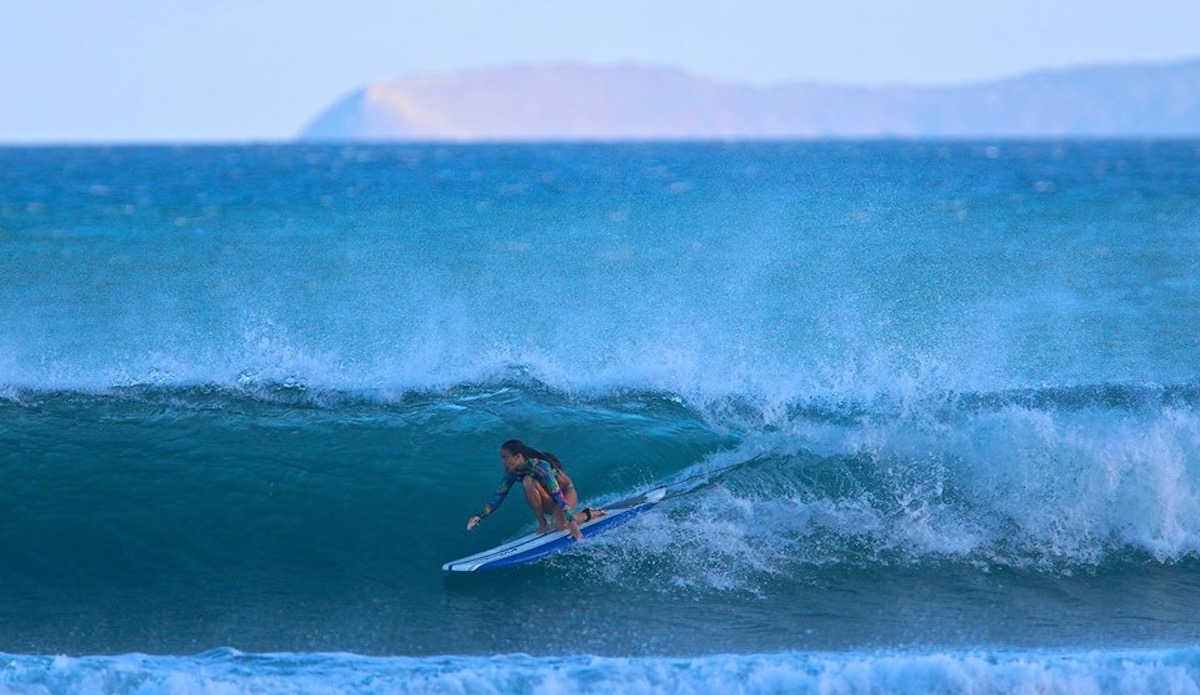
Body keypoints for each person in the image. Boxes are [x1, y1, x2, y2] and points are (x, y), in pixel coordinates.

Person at [466, 440, 604, 541]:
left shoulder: (540, 466)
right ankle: (542, 523)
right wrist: (479, 516)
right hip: (548, 497)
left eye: (504, 458)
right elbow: (498, 496)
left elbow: (558, 494)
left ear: (518, 456)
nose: (503, 462)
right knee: (527, 481)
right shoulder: (511, 472)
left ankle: (588, 514)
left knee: (560, 525)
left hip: (565, 493)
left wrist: (572, 524)